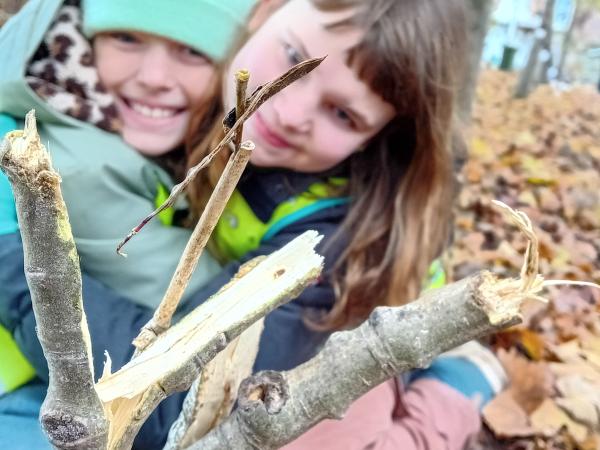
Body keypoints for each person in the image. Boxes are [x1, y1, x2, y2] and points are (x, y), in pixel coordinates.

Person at [0, 0, 506, 448]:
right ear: (264, 11)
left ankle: (459, 384)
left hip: (369, 323)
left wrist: (12, 264)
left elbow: (178, 400)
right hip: (255, 300)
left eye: (344, 115)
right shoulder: (204, 103)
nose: (289, 110)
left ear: (376, 140)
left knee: (339, 434)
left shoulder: (341, 239)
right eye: (293, 58)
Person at [0, 0, 256, 448]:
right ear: (80, 38)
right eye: (126, 38)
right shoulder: (62, 156)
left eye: (193, 51)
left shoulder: (189, 147)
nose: (155, 76)